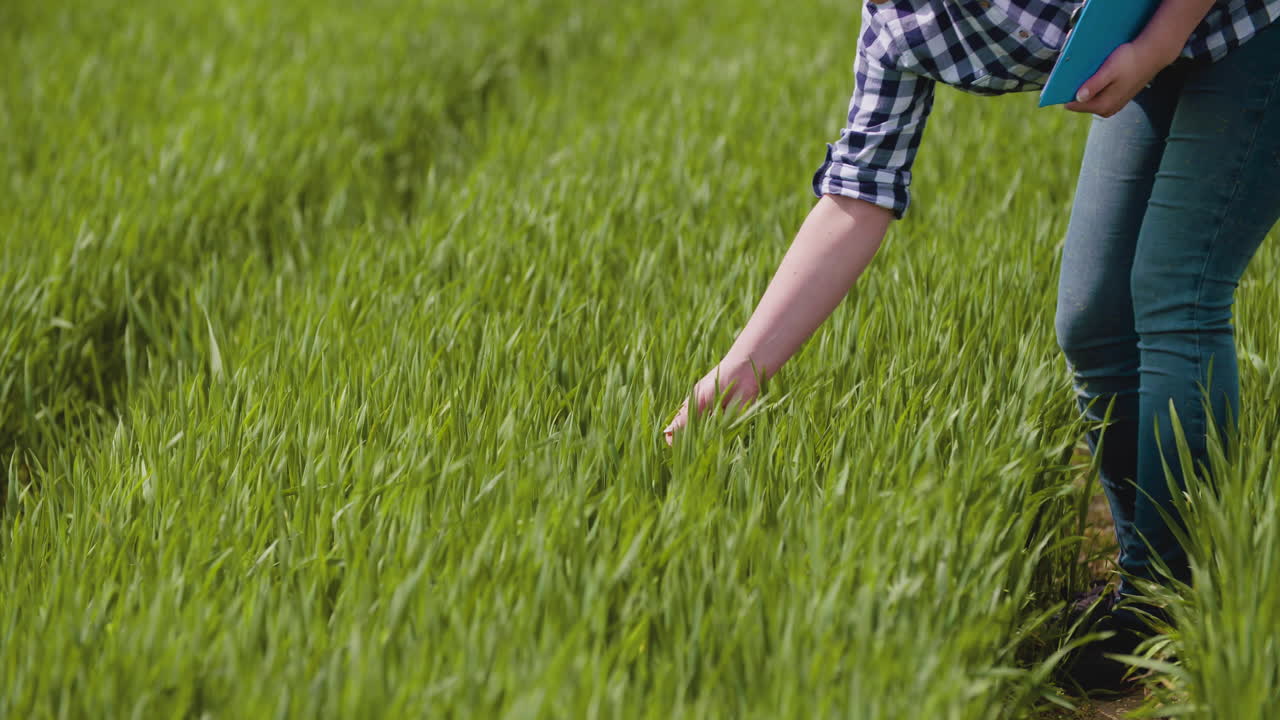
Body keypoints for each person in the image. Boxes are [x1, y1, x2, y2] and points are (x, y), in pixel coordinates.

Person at [660, 0, 1280, 694]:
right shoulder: (897, 25)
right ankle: (1148, 587)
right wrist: (741, 369)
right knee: (1092, 315)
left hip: (1251, 29)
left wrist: (1160, 42)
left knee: (1174, 292)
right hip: (1150, 47)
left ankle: (1186, 608)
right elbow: (858, 192)